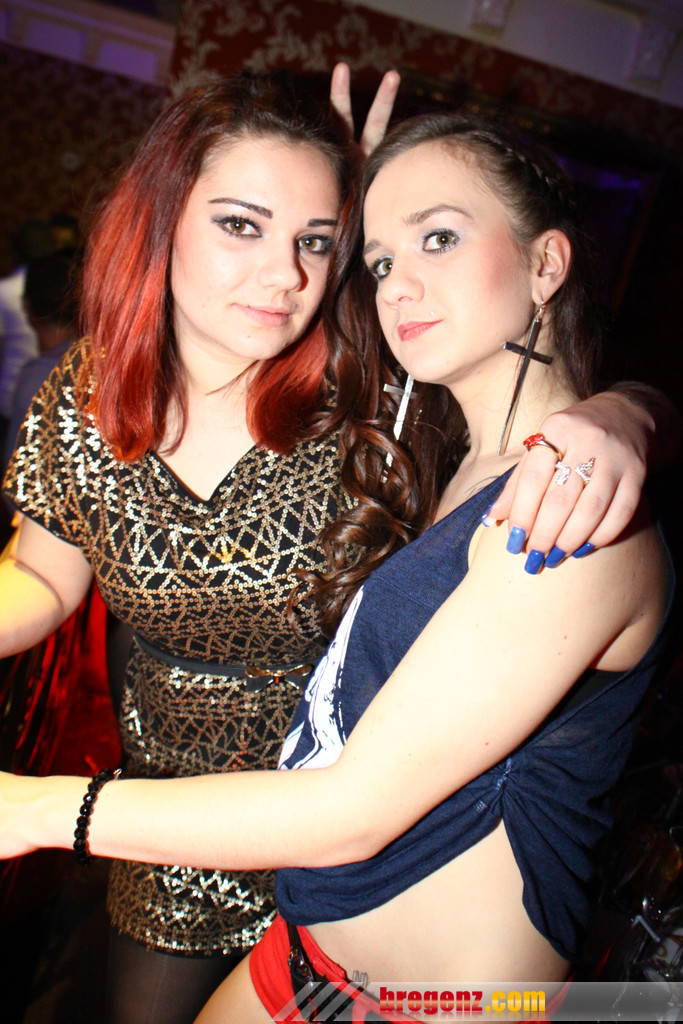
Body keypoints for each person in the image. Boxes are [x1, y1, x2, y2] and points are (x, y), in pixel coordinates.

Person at [0, 83, 676, 1023]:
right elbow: (39, 573)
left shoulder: (391, 394)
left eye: (319, 242)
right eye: (242, 224)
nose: (286, 275)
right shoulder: (95, 389)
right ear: (161, 223)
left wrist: (627, 415)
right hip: (216, 843)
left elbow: (536, 387)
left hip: (380, 900)